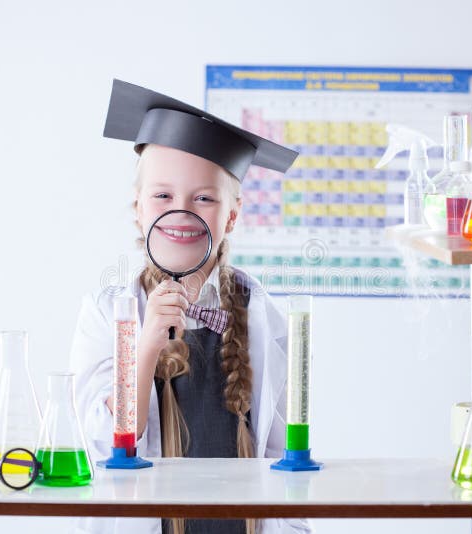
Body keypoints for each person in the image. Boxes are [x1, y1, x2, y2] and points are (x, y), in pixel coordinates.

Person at [70, 79, 311, 534]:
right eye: (162, 197)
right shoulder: (106, 313)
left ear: (232, 215)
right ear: (140, 209)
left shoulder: (265, 316)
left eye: (204, 198)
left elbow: (285, 464)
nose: (181, 213)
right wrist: (143, 346)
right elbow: (101, 443)